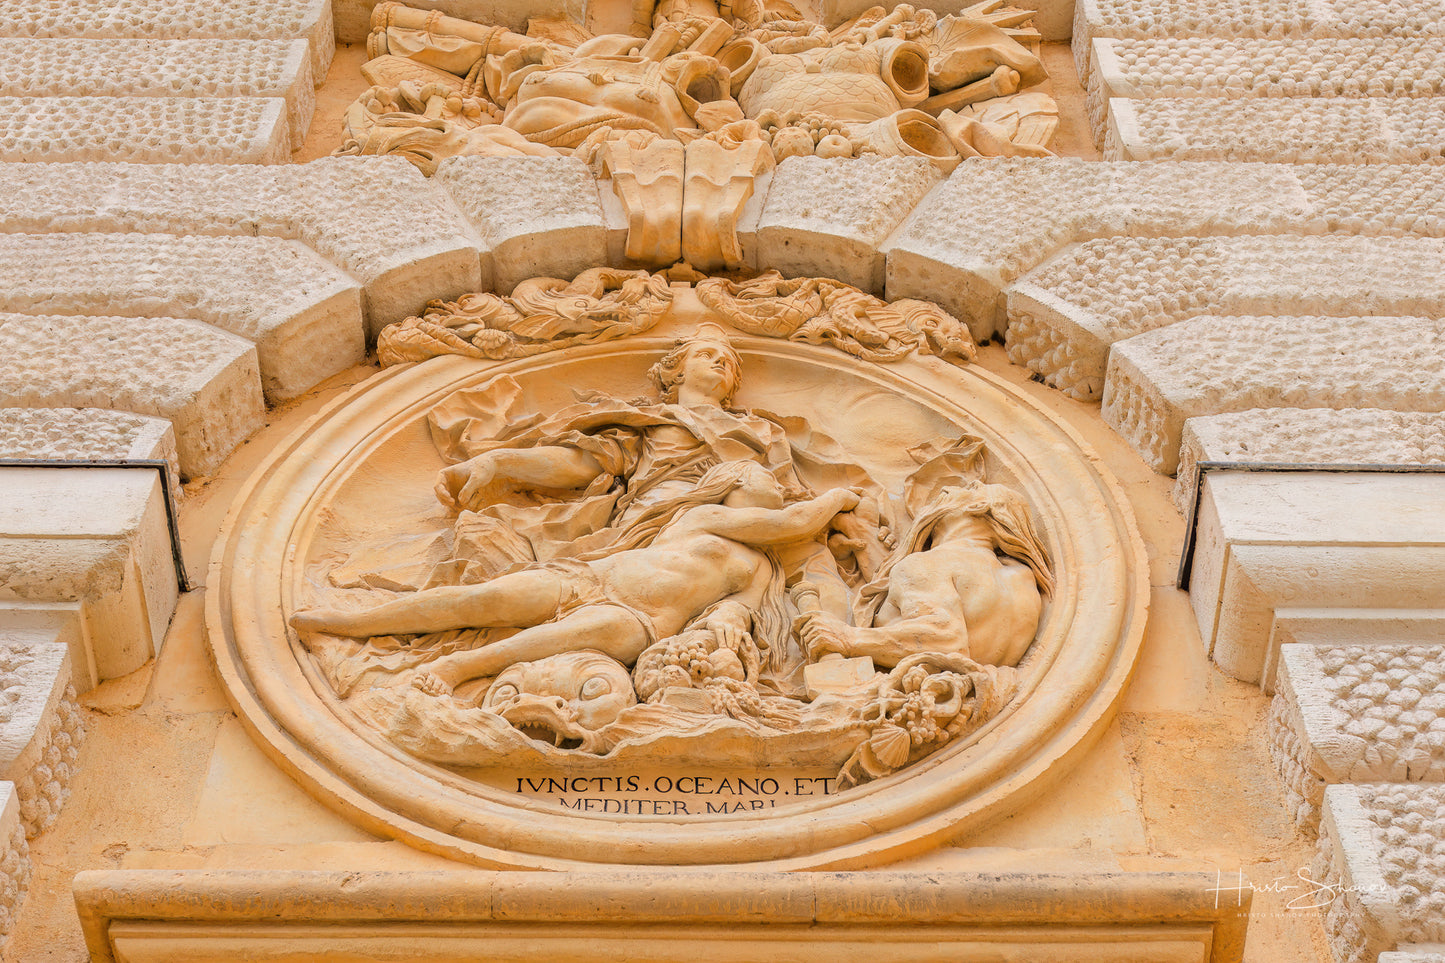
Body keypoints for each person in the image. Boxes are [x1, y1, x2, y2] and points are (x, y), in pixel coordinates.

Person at [293, 461, 862, 694]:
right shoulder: (707, 515)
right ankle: (352, 622)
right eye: (768, 481)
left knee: (545, 640)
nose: (783, 491)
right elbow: (794, 519)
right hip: (589, 579)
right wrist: (839, 495)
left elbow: (737, 615)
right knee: (475, 600)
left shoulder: (760, 567)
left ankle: (452, 668)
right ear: (731, 484)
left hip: (638, 622)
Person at [796, 480, 1052, 669]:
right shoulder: (1023, 578)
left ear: (978, 505)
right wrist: (865, 536)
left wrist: (848, 637)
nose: (949, 488)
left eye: (971, 487)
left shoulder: (928, 564)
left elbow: (947, 641)